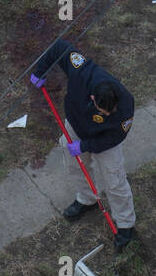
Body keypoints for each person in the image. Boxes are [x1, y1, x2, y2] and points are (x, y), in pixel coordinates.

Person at [30, 39, 137, 250]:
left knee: (114, 181)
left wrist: (86, 145)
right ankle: (87, 199)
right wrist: (40, 70)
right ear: (92, 98)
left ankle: (125, 224)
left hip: (104, 140)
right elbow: (59, 47)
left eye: (110, 112)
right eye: (103, 111)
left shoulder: (125, 106)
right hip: (77, 125)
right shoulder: (81, 71)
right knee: (75, 166)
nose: (108, 114)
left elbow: (114, 138)